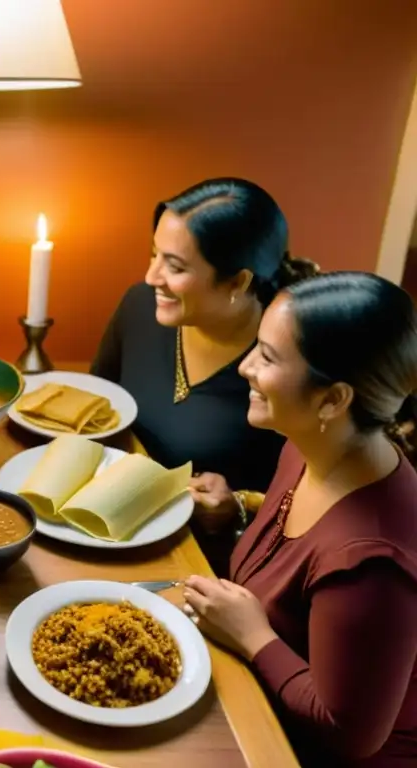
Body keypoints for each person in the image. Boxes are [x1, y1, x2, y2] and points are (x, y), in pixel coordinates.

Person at [183, 272, 417, 767]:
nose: (245, 366)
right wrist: (237, 511)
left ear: (333, 399)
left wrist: (253, 637)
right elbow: (295, 550)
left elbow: (350, 735)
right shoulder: (315, 446)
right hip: (251, 701)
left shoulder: (373, 563)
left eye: (267, 357)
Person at [91, 178, 319, 569]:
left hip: (204, 564)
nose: (151, 277)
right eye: (153, 255)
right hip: (109, 530)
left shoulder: (291, 362)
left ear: (237, 282)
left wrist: (237, 508)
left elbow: (319, 505)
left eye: (175, 267)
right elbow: (95, 410)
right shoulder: (139, 306)